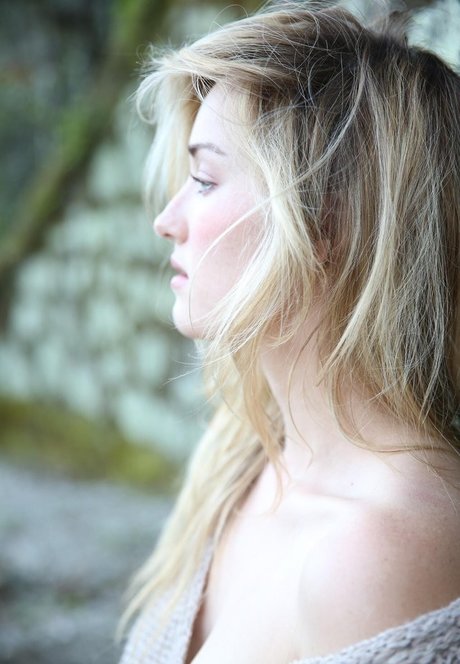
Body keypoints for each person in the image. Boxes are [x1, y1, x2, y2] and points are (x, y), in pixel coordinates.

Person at [120, 2, 460, 662]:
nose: (167, 220)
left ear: (326, 223)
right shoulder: (241, 460)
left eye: (204, 179)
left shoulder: (377, 554)